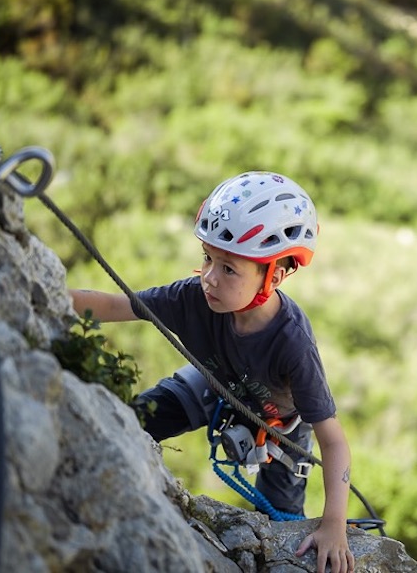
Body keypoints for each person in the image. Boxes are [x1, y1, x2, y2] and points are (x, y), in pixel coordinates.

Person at [69, 171, 354, 573]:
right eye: (207, 258)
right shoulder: (195, 298)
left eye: (229, 268)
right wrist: (46, 292)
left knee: (283, 526)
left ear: (273, 274)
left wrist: (333, 526)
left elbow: (334, 442)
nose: (209, 278)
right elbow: (116, 306)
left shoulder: (292, 344)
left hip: (279, 429)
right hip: (213, 385)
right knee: (131, 423)